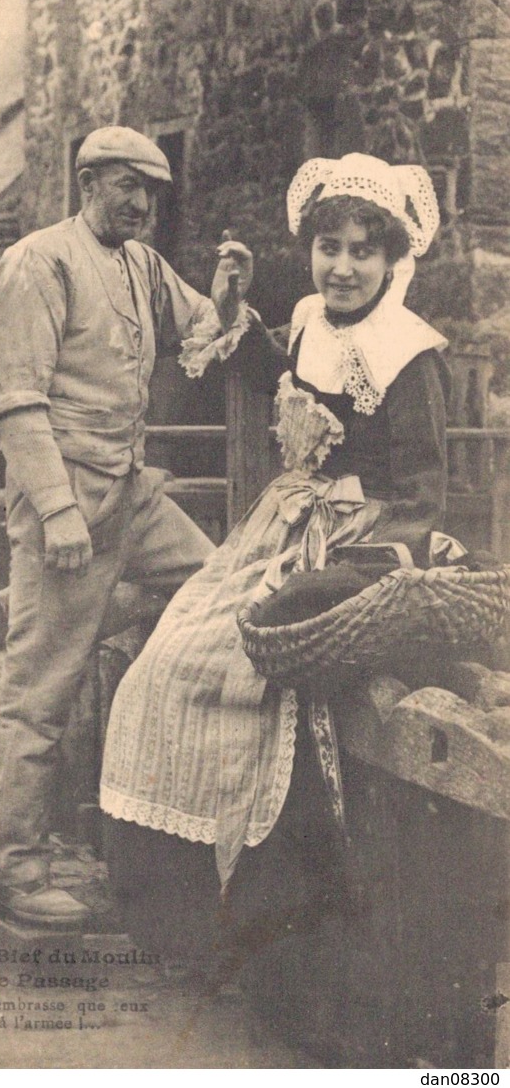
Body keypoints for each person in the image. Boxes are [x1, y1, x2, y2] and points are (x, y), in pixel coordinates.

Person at [99, 153, 450, 978]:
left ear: (393, 261)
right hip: (280, 524)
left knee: (260, 695)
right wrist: (232, 312)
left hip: (353, 544)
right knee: (163, 669)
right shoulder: (308, 320)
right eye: (329, 246)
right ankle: (184, 920)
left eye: (363, 251)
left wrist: (343, 568)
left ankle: (279, 926)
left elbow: (423, 497)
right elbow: (280, 384)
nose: (342, 266)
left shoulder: (409, 351)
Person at [0, 125, 253, 926]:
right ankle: (12, 871)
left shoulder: (141, 264)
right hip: (64, 502)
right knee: (37, 690)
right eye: (125, 186)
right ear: (86, 181)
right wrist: (58, 511)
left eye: (151, 192)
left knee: (216, 597)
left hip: (131, 494)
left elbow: (204, 336)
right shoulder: (39, 261)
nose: (140, 204)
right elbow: (14, 401)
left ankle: (83, 620)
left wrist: (228, 291)